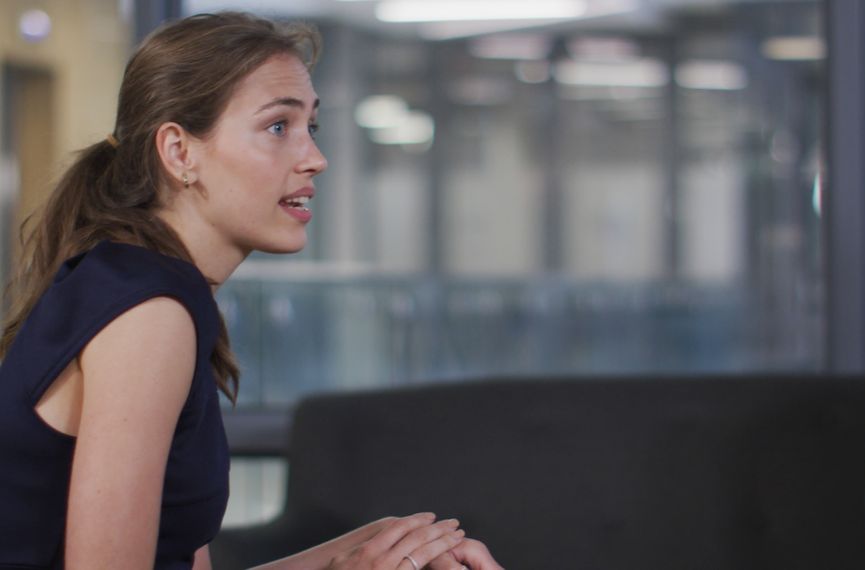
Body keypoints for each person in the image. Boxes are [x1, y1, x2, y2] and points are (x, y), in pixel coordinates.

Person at [0, 12, 502, 570]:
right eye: (277, 127)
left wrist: (365, 551)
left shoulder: (148, 287)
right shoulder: (149, 313)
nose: (315, 158)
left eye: (310, 127)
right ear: (179, 152)